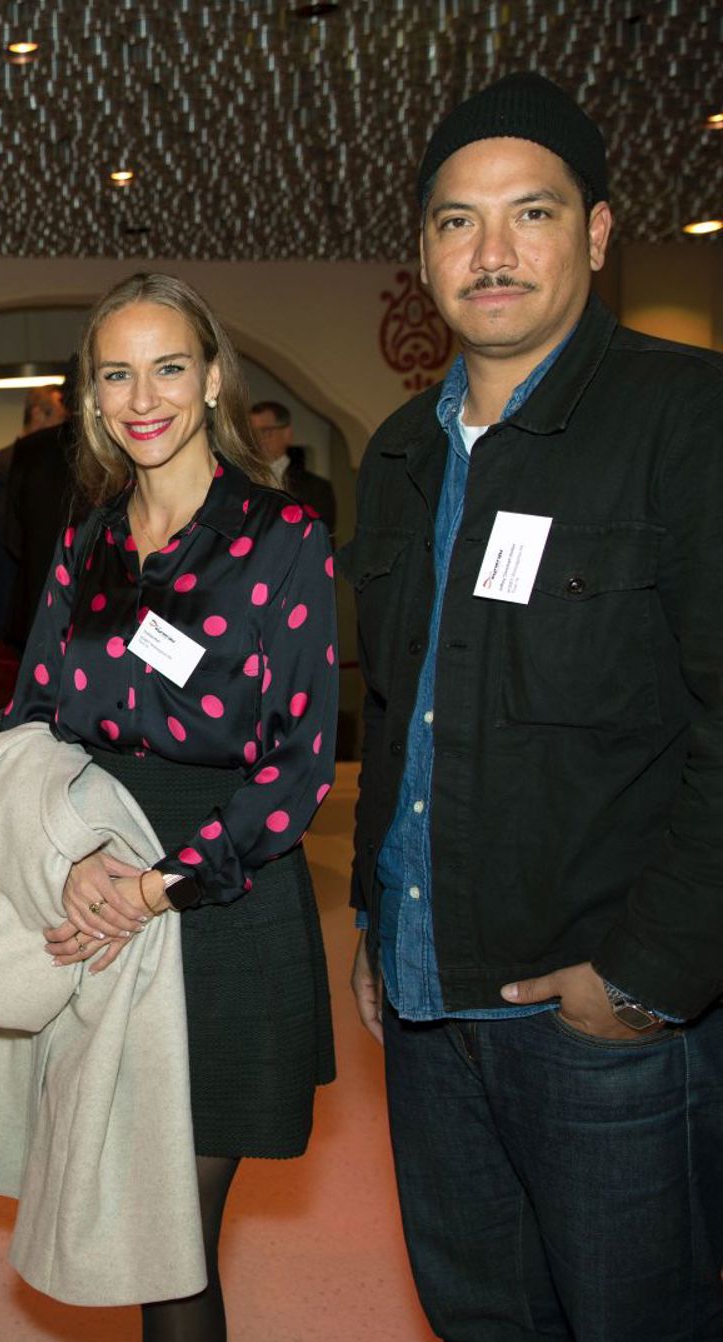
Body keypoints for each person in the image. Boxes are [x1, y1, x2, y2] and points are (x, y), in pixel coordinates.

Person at [343, 72, 723, 1339]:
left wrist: (645, 977)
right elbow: (395, 708)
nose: (489, 251)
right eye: (455, 221)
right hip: (425, 1003)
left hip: (600, 1019)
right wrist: (373, 918)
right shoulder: (398, 452)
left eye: (531, 213)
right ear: (420, 255)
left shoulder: (686, 419)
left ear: (597, 234)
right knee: (479, 1318)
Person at [1, 271, 338, 1342]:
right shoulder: (87, 540)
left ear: (211, 381)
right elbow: (30, 722)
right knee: (137, 1227)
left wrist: (158, 887)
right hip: (96, 887)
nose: (141, 397)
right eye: (116, 374)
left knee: (172, 1231)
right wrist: (65, 859)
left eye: (167, 368)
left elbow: (300, 763)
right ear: (90, 395)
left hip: (221, 906)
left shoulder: (282, 533)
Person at [2, 372, 82, 647]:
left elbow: (12, 535)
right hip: (98, 614)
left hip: (37, 605)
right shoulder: (119, 446)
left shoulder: (30, 449)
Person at [247, 400, 337, 533]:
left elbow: (321, 536)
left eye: (265, 431)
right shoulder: (239, 479)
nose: (257, 440)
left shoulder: (316, 487)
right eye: (251, 433)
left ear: (287, 434)